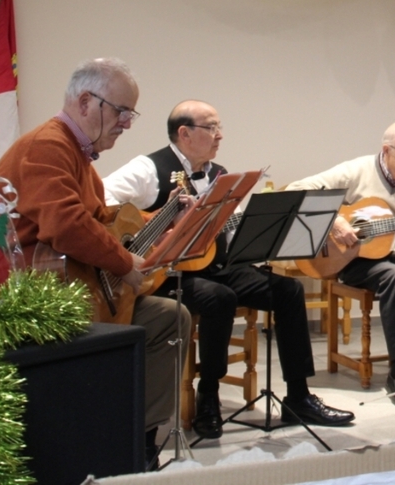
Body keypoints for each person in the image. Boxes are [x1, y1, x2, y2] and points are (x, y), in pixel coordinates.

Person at [102, 100, 354, 437]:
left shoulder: (220, 175)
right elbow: (101, 200)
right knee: (219, 298)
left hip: (217, 265)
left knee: (288, 290)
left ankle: (298, 397)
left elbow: (227, 231)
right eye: (211, 128)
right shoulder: (148, 168)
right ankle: (209, 394)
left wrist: (254, 230)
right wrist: (159, 223)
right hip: (168, 275)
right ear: (184, 133)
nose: (220, 135)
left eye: (220, 127)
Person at [0, 58, 190, 471]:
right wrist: (122, 262)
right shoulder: (48, 146)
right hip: (38, 298)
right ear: (86, 101)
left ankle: (139, 439)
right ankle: (100, 440)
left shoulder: (79, 156)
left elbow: (99, 220)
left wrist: (159, 226)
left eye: (130, 114)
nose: (127, 123)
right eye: (122, 111)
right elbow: (65, 223)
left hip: (75, 289)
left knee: (171, 317)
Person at [285, 121, 395, 410]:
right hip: (355, 260)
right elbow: (297, 189)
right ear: (387, 151)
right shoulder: (356, 171)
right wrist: (335, 222)